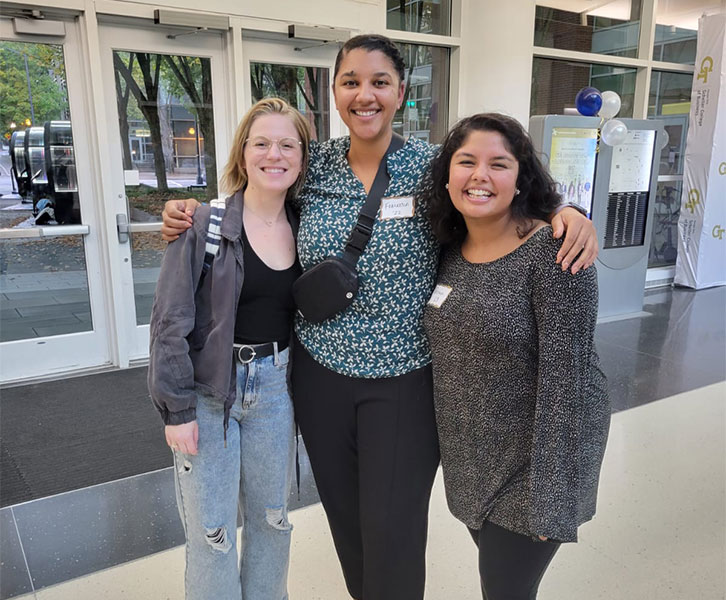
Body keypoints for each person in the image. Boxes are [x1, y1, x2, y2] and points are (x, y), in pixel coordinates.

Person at [160, 35, 599, 600]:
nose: (364, 95)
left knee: (394, 535)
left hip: (405, 384)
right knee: (349, 532)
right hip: (319, 380)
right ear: (335, 92)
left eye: (379, 83)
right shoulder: (310, 164)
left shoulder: (433, 165)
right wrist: (192, 211)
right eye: (351, 82)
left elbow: (497, 190)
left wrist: (566, 210)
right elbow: (255, 197)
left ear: (400, 93)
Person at [422, 113, 610, 600]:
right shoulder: (447, 250)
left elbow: (567, 384)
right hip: (470, 468)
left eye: (498, 164)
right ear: (448, 175)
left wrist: (550, 500)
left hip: (530, 474)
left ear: (521, 177)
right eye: (466, 161)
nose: (480, 175)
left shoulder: (555, 253)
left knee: (504, 591)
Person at [147, 97, 311, 600]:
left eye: (287, 144)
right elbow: (169, 320)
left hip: (276, 390)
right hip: (209, 392)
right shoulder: (203, 224)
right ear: (243, 154)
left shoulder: (309, 225)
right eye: (261, 143)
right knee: (213, 532)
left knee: (272, 520)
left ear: (302, 157)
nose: (274, 154)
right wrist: (176, 410)